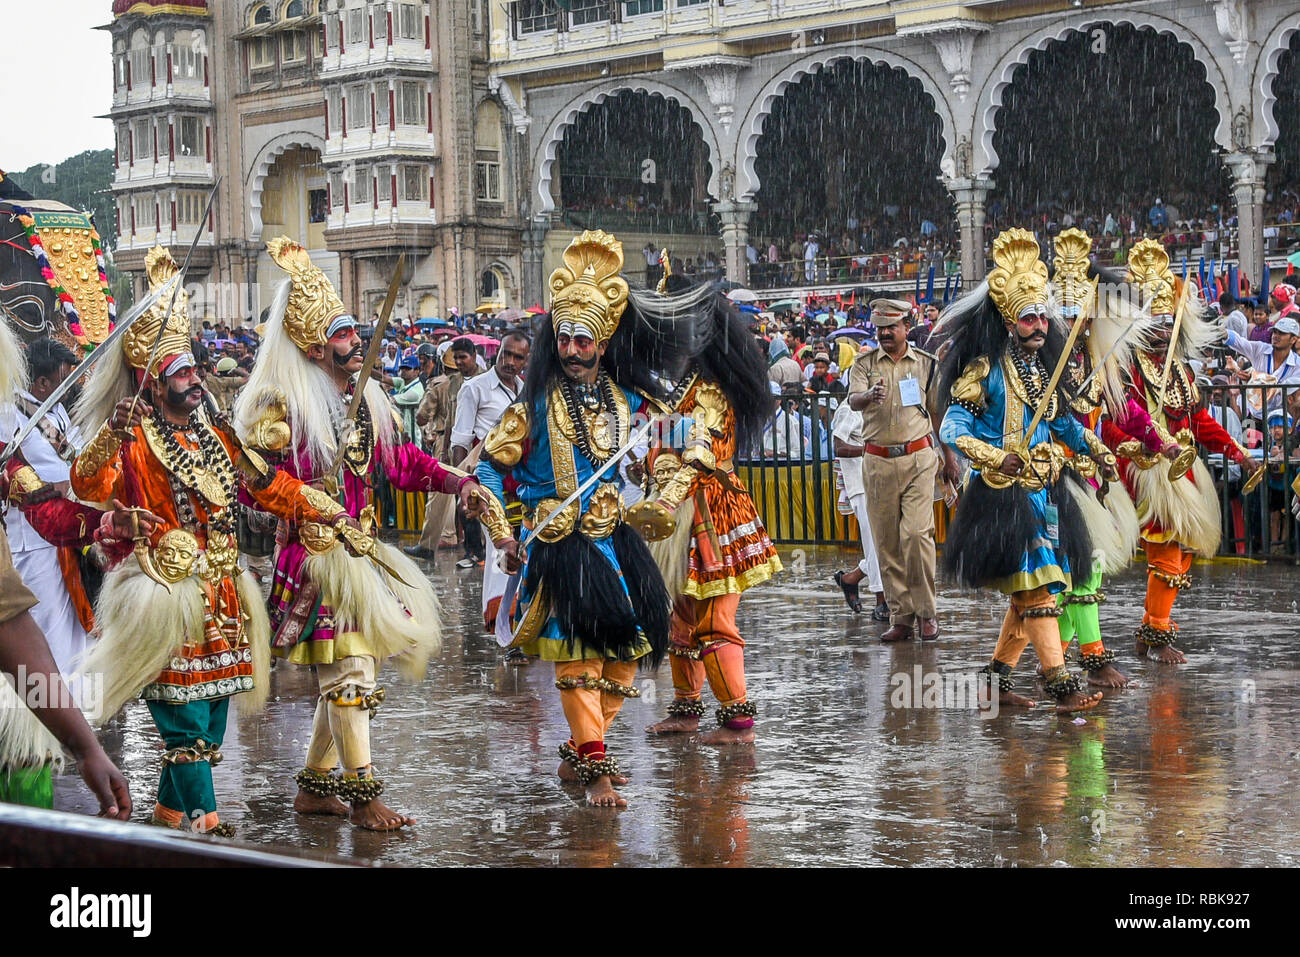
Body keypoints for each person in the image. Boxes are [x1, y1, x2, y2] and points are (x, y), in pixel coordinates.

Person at [70, 246, 341, 835]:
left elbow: (262, 483)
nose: (196, 378)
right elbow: (90, 485)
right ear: (152, 381)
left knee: (210, 724)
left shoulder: (212, 430)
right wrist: (109, 438)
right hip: (163, 595)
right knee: (185, 725)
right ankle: (206, 826)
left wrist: (319, 505)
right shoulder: (134, 439)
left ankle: (168, 815)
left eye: (195, 367)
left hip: (222, 592)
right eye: (182, 372)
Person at [234, 237, 485, 830]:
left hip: (364, 554)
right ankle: (365, 796)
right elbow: (255, 487)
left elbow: (398, 465)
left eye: (354, 332)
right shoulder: (283, 410)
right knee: (351, 673)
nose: (355, 344)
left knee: (350, 670)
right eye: (344, 336)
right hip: (315, 558)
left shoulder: (369, 399)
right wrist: (306, 499)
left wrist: (454, 481)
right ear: (316, 347)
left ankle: (316, 788)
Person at [473, 230, 685, 807]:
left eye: (582, 339)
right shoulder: (533, 404)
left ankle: (580, 750)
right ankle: (595, 769)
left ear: (602, 341)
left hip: (614, 541)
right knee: (578, 656)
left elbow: (663, 455)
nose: (570, 349)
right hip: (559, 541)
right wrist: (502, 533)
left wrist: (662, 488)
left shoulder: (626, 403)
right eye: (563, 338)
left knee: (628, 657)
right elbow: (488, 469)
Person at [937, 229, 1113, 713]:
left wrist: (1098, 451)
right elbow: (953, 428)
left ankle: (995, 683)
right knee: (1036, 590)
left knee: (1028, 591)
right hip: (1001, 495)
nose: (1038, 325)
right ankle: (1061, 684)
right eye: (1027, 317)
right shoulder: (985, 368)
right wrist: (995, 456)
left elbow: (1066, 424)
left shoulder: (1044, 370)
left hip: (1045, 492)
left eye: (1041, 315)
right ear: (1010, 321)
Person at [639, 280, 781, 744]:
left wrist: (665, 497)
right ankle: (686, 709)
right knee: (679, 618)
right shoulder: (679, 389)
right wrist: (656, 472)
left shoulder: (711, 392)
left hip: (710, 514)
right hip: (676, 513)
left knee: (713, 622)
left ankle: (738, 721)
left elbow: (701, 455)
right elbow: (663, 444)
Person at [1113, 240, 1264, 664]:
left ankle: (1150, 630)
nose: (1163, 330)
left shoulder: (1180, 369)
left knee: (1181, 556)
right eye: (1155, 322)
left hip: (1184, 468)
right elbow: (1123, 419)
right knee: (1165, 552)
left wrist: (1237, 451)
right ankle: (1158, 637)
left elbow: (1199, 421)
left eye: (1168, 321)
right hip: (1147, 468)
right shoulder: (1127, 367)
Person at [848, 298, 960, 642]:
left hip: (918, 459)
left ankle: (927, 612)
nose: (884, 333)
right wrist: (868, 396)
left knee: (916, 535)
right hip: (877, 461)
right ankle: (902, 616)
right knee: (888, 543)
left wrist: (949, 456)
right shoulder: (863, 364)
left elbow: (938, 412)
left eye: (890, 328)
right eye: (880, 328)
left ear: (905, 329)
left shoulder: (926, 364)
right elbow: (853, 400)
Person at [0, 338, 95, 674]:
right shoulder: (7, 412)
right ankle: (36, 712)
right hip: (31, 540)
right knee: (43, 627)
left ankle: (73, 706)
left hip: (67, 532)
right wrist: (54, 488)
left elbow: (81, 459)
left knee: (72, 627)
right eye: (63, 380)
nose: (69, 388)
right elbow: (7, 476)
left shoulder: (56, 409)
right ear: (41, 382)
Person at [449, 330, 529, 629]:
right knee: (500, 548)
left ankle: (522, 619)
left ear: (525, 361)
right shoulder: (475, 388)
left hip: (520, 484)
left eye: (517, 357)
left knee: (522, 548)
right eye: (505, 354)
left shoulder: (525, 390)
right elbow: (460, 441)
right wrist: (462, 487)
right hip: (487, 481)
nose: (509, 361)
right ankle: (501, 622)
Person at [407, 337, 480, 560]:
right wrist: (445, 448)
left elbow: (422, 415)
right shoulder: (452, 383)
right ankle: (429, 544)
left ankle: (476, 547)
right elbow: (449, 419)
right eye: (455, 358)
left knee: (475, 493)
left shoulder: (484, 380)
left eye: (463, 357)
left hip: (478, 443)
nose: (459, 362)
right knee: (440, 491)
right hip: (450, 441)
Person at [830, 398, 886, 620]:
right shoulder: (848, 409)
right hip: (861, 484)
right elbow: (839, 446)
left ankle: (851, 579)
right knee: (874, 542)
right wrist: (869, 450)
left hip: (880, 480)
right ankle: (882, 600)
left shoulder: (875, 407)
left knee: (885, 542)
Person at [391, 354, 425, 437]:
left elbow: (391, 400)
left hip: (412, 436)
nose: (404, 371)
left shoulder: (416, 391)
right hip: (403, 432)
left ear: (417, 371)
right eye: (402, 368)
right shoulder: (404, 382)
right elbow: (383, 378)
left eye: (408, 369)